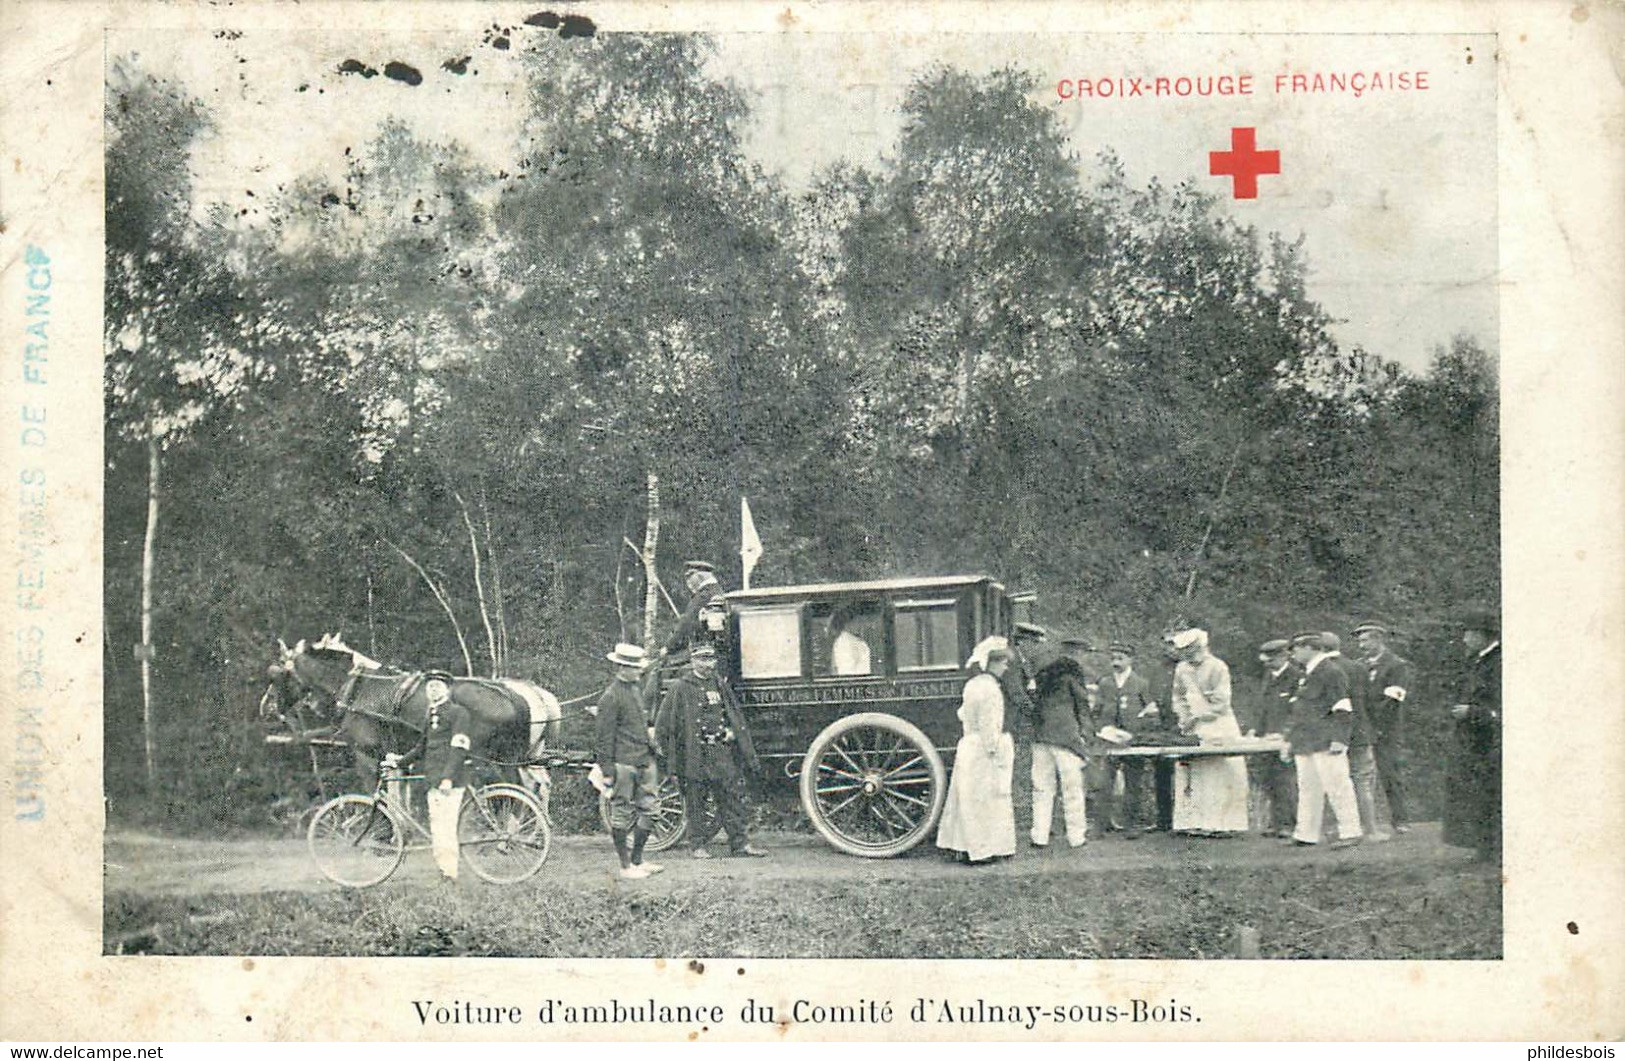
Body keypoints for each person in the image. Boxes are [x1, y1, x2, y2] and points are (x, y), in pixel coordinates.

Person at [656, 643, 766, 859]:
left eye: (711, 659)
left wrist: (732, 732)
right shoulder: (680, 687)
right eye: (702, 660)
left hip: (720, 751)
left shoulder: (719, 684)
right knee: (697, 800)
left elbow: (731, 714)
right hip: (695, 754)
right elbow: (664, 723)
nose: (708, 665)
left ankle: (740, 844)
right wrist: (672, 753)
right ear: (693, 661)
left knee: (731, 797)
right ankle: (697, 845)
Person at [936, 637, 1017, 864]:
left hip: (969, 745)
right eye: (1002, 663)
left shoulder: (972, 685)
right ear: (991, 663)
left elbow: (962, 715)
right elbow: (990, 726)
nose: (1005, 667)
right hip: (983, 749)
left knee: (967, 800)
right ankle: (982, 850)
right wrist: (996, 749)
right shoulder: (991, 690)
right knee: (985, 800)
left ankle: (962, 847)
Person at [1284, 632, 1363, 849]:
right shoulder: (1306, 674)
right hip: (1306, 740)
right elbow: (1300, 711)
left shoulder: (1331, 672)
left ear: (1311, 647)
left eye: (1297, 648)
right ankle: (1306, 834)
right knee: (1308, 787)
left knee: (1337, 785)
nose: (1293, 654)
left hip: (1326, 740)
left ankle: (1351, 831)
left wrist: (1340, 738)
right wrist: (1291, 740)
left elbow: (1343, 707)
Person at [1168, 629, 1249, 836]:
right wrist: (1184, 717)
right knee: (1193, 772)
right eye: (1185, 652)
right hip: (1192, 726)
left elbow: (1222, 702)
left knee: (1220, 771)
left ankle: (1223, 824)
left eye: (1192, 651)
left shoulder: (1218, 667)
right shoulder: (1182, 669)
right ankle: (1191, 822)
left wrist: (1200, 715)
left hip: (1219, 724)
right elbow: (1178, 696)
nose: (1189, 656)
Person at [595, 642, 665, 880]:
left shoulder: (634, 690)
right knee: (622, 814)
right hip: (623, 764)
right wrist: (607, 770)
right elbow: (603, 738)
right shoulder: (610, 697)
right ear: (621, 668)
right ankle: (625, 866)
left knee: (651, 811)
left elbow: (641, 725)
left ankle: (637, 860)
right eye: (634, 668)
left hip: (644, 760)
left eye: (639, 667)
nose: (639, 671)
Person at [1024, 638, 1093, 849]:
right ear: (1078, 653)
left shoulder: (1043, 673)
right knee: (1072, 789)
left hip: (1040, 735)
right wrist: (1087, 733)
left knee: (1042, 788)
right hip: (1065, 736)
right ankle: (1076, 836)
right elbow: (1082, 706)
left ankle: (1039, 836)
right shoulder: (1073, 674)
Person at [1445, 610, 1501, 862]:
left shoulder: (1499, 662)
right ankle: (1484, 846)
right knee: (1475, 791)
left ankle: (1493, 848)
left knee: (1491, 791)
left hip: (1491, 740)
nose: (1465, 639)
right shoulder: (1475, 660)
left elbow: (1501, 706)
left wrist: (1473, 712)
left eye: (1469, 633)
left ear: (1482, 634)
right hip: (1472, 739)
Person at [1323, 631, 1387, 842]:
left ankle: (1337, 828)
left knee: (1334, 781)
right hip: (1359, 731)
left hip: (1331, 733)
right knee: (1362, 780)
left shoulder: (1320, 670)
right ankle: (1370, 830)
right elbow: (1370, 702)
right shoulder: (1357, 668)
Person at [1095, 641, 1163, 839]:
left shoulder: (1141, 684)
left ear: (1130, 659)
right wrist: (1101, 729)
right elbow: (1097, 710)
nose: (1115, 662)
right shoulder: (1105, 683)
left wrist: (1138, 730)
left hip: (1133, 742)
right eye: (1113, 658)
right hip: (1108, 741)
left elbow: (1152, 714)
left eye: (1120, 658)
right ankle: (1101, 824)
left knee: (1133, 783)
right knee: (1104, 783)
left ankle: (1131, 824)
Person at [1354, 621, 1415, 835]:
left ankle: (1400, 820)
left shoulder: (1397, 665)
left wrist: (1376, 726)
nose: (1361, 645)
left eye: (1366, 640)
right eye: (1359, 641)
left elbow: (1393, 699)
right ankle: (1364, 822)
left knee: (1390, 774)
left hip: (1386, 729)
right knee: (1361, 775)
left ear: (1379, 639)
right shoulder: (1359, 664)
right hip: (1363, 728)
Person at [1247, 638, 1299, 838]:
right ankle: (1276, 822)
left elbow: (1297, 710)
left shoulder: (1296, 677)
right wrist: (1255, 730)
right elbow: (1262, 708)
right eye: (1265, 658)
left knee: (1285, 780)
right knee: (1268, 779)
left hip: (1286, 738)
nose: (1267, 662)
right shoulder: (1268, 676)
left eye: (1272, 658)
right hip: (1265, 738)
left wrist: (1285, 733)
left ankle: (1289, 823)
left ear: (1284, 655)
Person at [829, 604, 873, 676]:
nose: (862, 625)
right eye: (858, 621)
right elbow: (846, 672)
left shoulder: (852, 641)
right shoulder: (845, 642)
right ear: (848, 623)